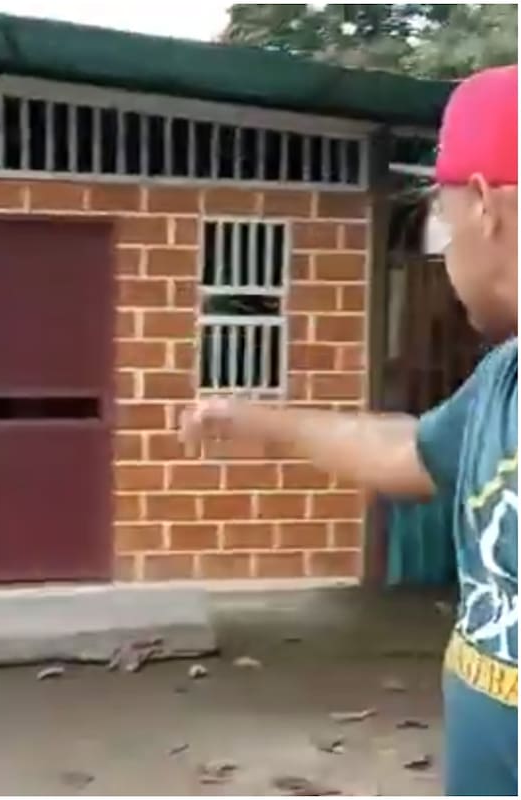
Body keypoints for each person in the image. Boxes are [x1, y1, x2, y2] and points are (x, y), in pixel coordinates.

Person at [179, 64, 518, 797]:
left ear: (487, 206)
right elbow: (412, 450)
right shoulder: (505, 378)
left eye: (442, 219)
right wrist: (257, 419)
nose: (443, 250)